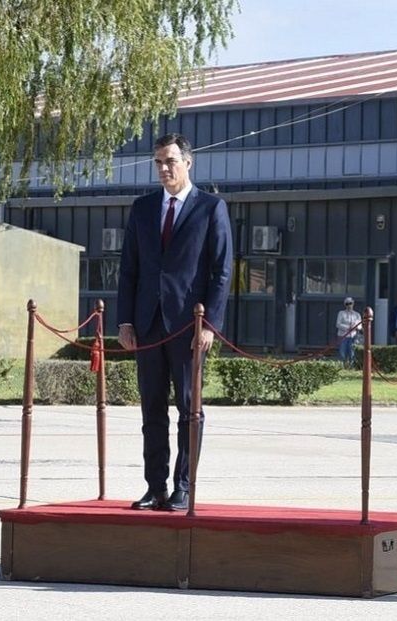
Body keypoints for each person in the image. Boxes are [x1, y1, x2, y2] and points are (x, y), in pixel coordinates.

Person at [117, 133, 233, 512]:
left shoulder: (210, 208)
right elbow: (129, 270)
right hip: (147, 325)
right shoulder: (143, 208)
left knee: (189, 409)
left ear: (188, 162)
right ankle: (156, 487)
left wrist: (209, 324)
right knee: (152, 409)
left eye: (170, 161)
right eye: (159, 163)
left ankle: (184, 485)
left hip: (188, 326)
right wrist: (125, 322)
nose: (164, 169)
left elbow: (221, 271)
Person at [335, 297, 361, 368]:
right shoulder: (341, 313)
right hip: (343, 336)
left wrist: (356, 327)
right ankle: (342, 367)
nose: (349, 305)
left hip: (353, 336)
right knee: (342, 353)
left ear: (353, 304)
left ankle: (351, 367)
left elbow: (360, 326)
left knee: (352, 353)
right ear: (345, 305)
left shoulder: (357, 315)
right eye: (347, 304)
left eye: (350, 303)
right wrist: (347, 327)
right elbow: (338, 324)